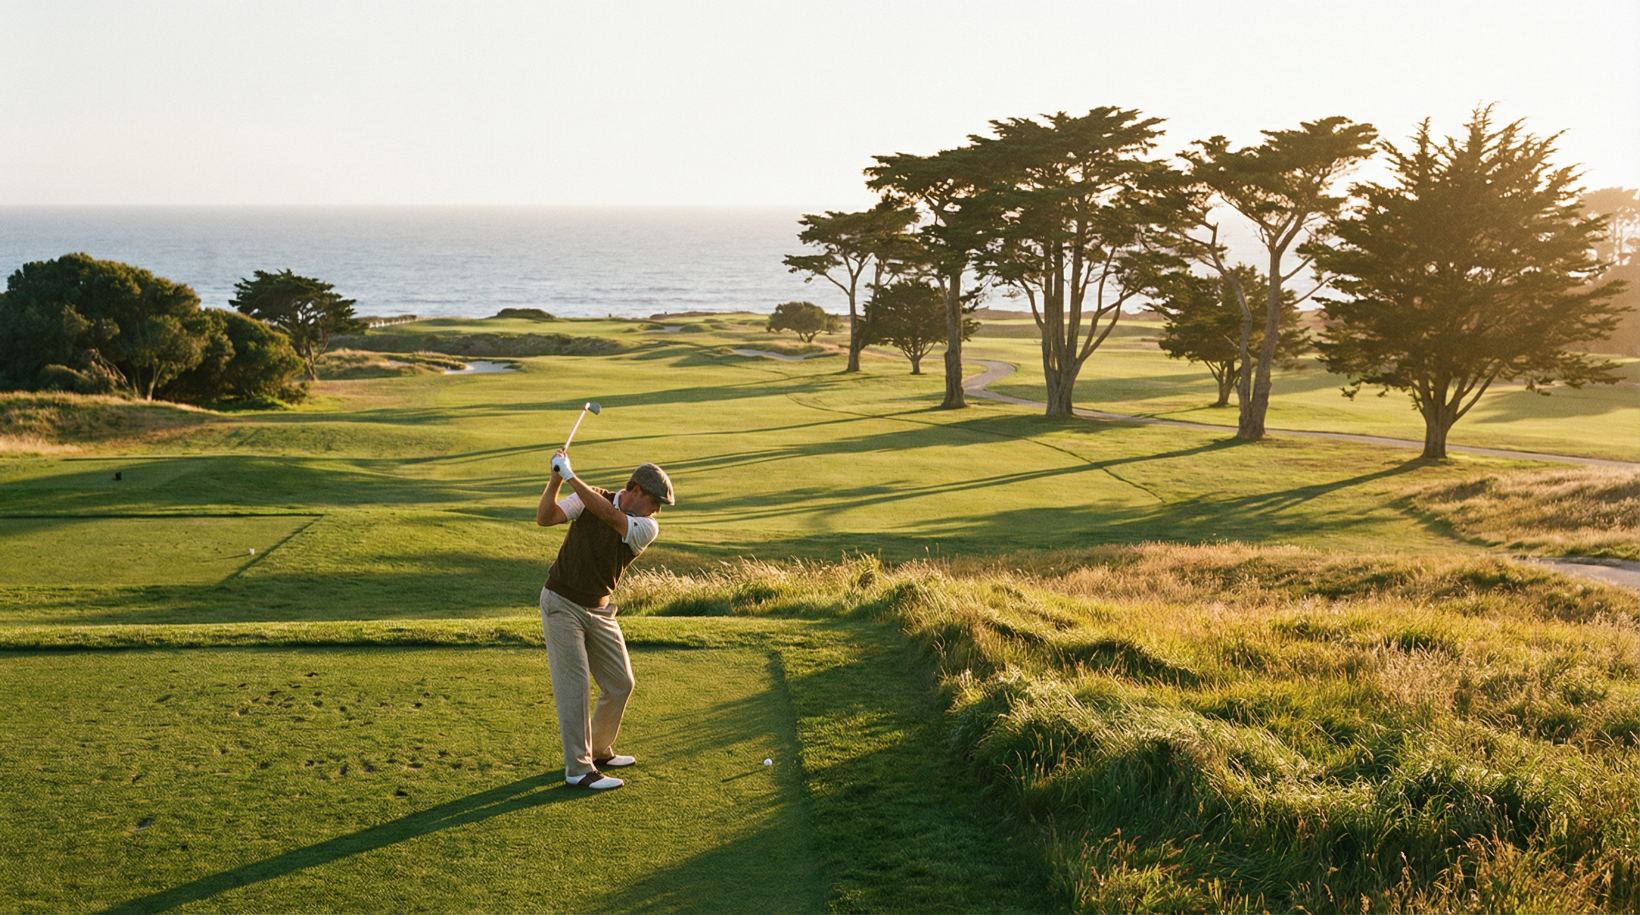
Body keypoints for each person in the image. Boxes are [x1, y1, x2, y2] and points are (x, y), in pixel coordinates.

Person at [536, 448, 674, 790]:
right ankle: (578, 769)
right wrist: (555, 480)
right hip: (561, 603)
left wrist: (570, 475)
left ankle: (598, 749)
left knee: (620, 682)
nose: (657, 510)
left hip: (599, 609)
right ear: (636, 490)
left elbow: (610, 517)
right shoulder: (589, 497)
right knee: (575, 687)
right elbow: (546, 517)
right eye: (655, 502)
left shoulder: (647, 526)